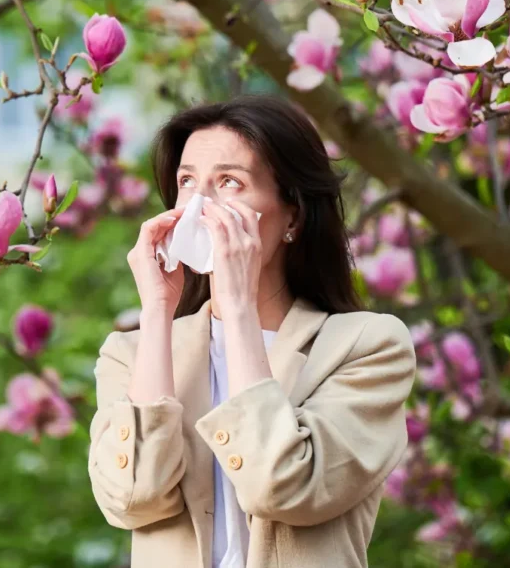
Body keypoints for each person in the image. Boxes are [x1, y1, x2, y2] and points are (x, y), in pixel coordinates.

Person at [87, 95, 416, 568]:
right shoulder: (130, 354)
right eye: (187, 183)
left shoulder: (367, 346)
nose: (200, 206)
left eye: (229, 182)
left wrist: (238, 305)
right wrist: (158, 310)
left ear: (293, 215)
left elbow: (284, 488)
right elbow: (133, 498)